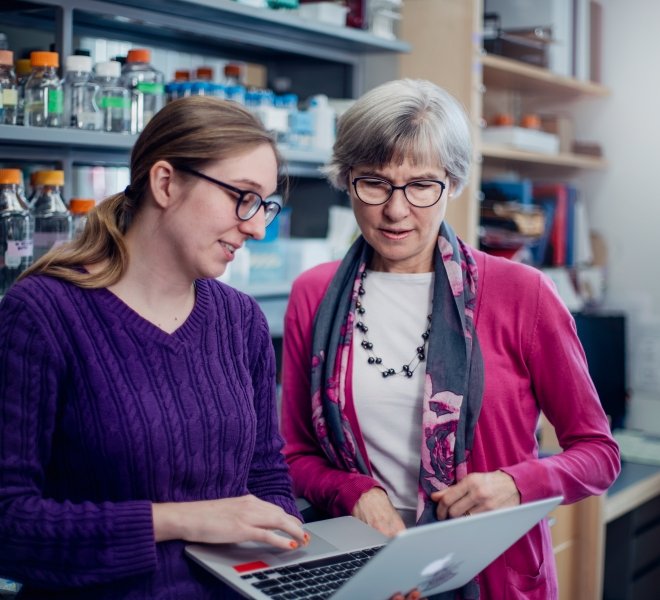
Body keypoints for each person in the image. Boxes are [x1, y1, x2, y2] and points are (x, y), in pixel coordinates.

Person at [280, 79, 621, 600]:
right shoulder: (315, 294)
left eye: (421, 185)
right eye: (374, 183)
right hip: (363, 573)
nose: (396, 210)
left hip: (489, 575)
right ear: (347, 181)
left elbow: (598, 453)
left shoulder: (521, 292)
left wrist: (516, 484)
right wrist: (352, 492)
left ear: (454, 182)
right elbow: (295, 454)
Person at [0, 95, 308, 599]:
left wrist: (298, 559)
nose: (257, 226)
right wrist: (181, 521)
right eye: (243, 197)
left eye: (267, 205)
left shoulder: (240, 320)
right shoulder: (44, 314)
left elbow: (267, 476)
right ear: (165, 183)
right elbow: (9, 523)